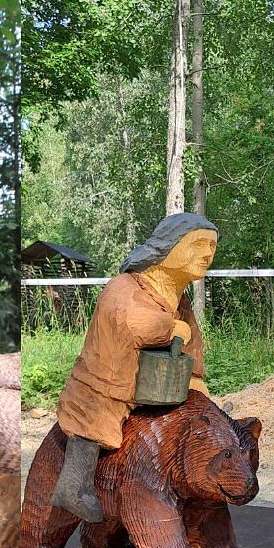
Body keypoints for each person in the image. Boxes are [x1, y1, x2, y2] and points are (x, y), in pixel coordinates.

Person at [51, 213, 217, 522]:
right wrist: (168, 327)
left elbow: (192, 340)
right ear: (167, 246)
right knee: (92, 423)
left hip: (155, 384)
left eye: (212, 245)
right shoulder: (125, 286)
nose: (207, 253)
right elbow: (130, 321)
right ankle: (74, 487)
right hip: (107, 383)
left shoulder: (179, 298)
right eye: (197, 244)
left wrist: (195, 377)